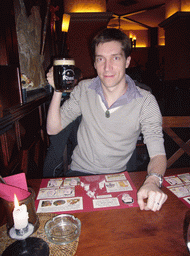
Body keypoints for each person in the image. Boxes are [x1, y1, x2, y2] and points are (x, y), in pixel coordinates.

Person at [46, 28, 168, 212]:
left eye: (115, 58)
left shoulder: (146, 102)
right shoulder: (83, 89)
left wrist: (153, 181)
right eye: (100, 59)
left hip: (118, 178)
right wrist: (57, 90)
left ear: (127, 61)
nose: (107, 67)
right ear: (94, 63)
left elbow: (158, 153)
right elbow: (53, 129)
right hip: (79, 175)